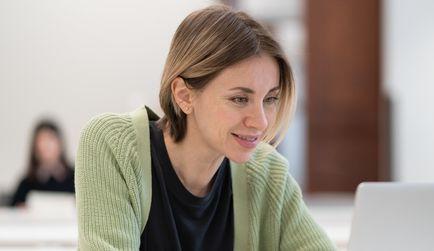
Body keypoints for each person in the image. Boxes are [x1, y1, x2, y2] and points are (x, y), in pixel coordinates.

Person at [75, 5, 335, 250]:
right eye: (239, 99)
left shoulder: (266, 173)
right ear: (184, 96)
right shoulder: (112, 147)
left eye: (269, 99)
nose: (261, 122)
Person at [11, 120, 75, 207]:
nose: (46, 145)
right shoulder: (26, 183)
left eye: (50, 139)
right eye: (41, 140)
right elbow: (13, 209)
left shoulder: (76, 178)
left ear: (60, 143)